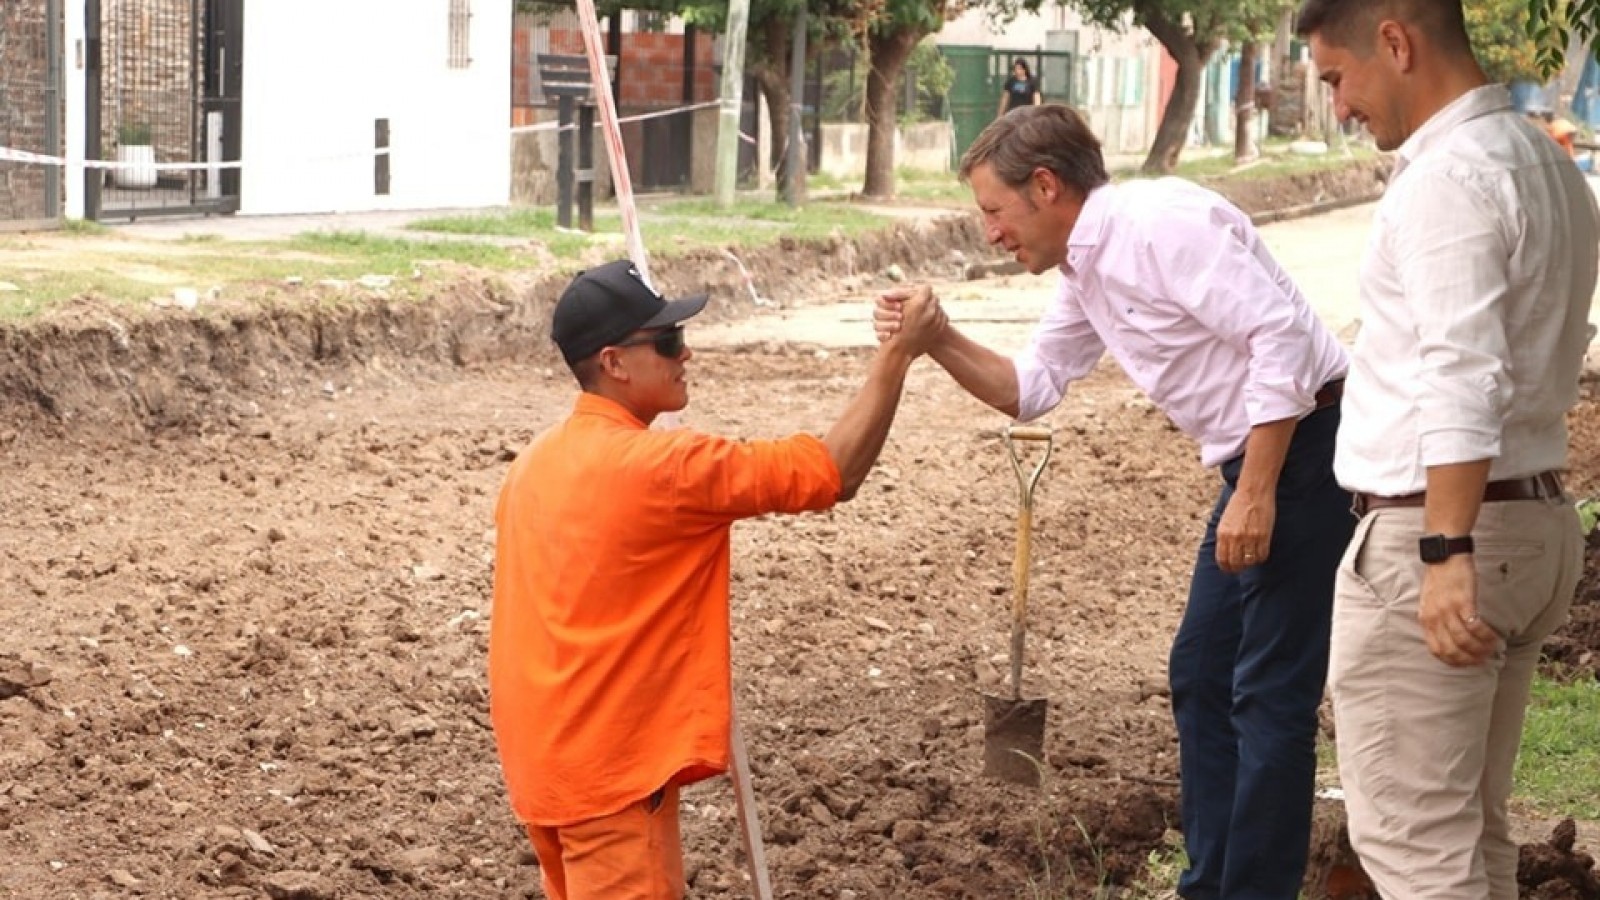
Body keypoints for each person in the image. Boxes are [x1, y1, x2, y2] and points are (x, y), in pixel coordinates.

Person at [875, 103, 1352, 900]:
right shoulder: (1085, 267)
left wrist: (1260, 492)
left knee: (1269, 692)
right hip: (1260, 461)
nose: (991, 233)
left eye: (995, 211)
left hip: (1306, 449)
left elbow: (1284, 342)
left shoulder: (1156, 226)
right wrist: (938, 339)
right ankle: (1213, 885)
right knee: (1202, 671)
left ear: (1047, 186)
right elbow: (1031, 389)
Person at [488, 259, 944, 900]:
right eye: (669, 341)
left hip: (546, 769)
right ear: (615, 363)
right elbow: (832, 472)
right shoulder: (664, 468)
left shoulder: (534, 462)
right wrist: (898, 356)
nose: (687, 353)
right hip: (612, 777)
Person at [1295, 1, 1599, 897]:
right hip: (1531, 521)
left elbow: (1463, 377)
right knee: (1472, 838)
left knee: (1416, 848)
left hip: (1448, 535)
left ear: (1396, 42)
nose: (1341, 107)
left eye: (1336, 79)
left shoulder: (1450, 179)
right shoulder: (1547, 162)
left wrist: (1444, 548)